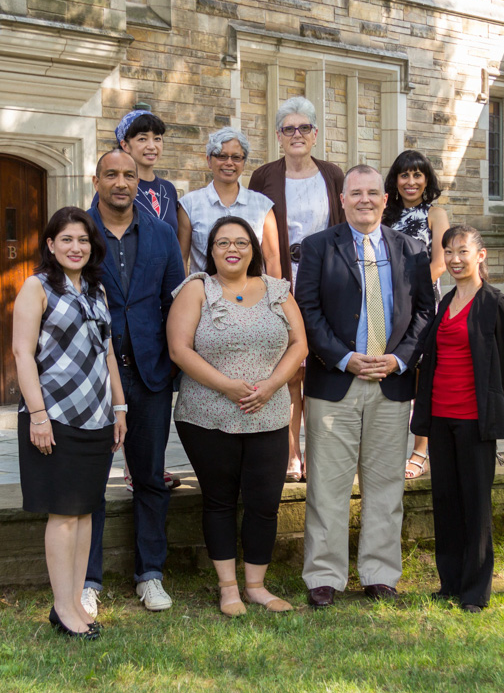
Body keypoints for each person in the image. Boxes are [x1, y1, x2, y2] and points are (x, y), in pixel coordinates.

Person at [294, 164, 435, 608]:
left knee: (386, 485)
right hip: (335, 381)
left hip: (391, 384)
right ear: (343, 199)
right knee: (326, 487)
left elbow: (423, 314)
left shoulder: (411, 249)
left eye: (373, 192)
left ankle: (379, 573)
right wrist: (345, 357)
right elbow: (307, 310)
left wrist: (397, 359)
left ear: (385, 197)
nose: (365, 200)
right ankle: (324, 575)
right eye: (356, 193)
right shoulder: (318, 247)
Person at [167, 216, 307, 617]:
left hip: (270, 413)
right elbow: (179, 349)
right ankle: (229, 588)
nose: (233, 249)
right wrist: (227, 386)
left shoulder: (276, 290)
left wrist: (270, 385)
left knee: (265, 503)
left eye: (242, 242)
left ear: (253, 250)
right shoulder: (197, 289)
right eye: (223, 242)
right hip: (207, 415)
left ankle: (257, 586)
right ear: (210, 250)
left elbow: (299, 344)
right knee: (220, 502)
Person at [12, 206, 128, 640]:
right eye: (66, 240)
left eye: (82, 240)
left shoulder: (96, 291)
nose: (75, 247)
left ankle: (77, 602)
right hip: (54, 417)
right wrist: (38, 416)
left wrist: (119, 409)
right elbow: (23, 354)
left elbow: (107, 353)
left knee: (84, 515)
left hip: (96, 417)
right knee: (62, 515)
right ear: (50, 245)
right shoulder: (36, 288)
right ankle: (62, 608)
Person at [83, 148, 186, 615]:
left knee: (149, 476)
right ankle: (87, 579)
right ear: (96, 179)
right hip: (92, 376)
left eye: (129, 175)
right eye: (112, 174)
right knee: (88, 483)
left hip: (149, 374)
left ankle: (151, 574)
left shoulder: (163, 234)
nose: (121, 182)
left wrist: (176, 367)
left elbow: (177, 304)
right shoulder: (77, 233)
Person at [410, 225, 504, 614]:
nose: (455, 259)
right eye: (449, 252)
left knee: (475, 504)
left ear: (481, 255)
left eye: (463, 252)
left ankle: (475, 590)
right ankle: (449, 582)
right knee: (446, 502)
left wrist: (484, 404)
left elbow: (502, 364)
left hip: (474, 419)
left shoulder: (495, 303)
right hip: (440, 416)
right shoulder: (445, 303)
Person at [249, 96, 346, 483]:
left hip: (327, 284)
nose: (297, 135)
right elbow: (256, 229)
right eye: (289, 129)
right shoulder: (264, 176)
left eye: (304, 128)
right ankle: (291, 452)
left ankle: (325, 452)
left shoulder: (333, 174)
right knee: (289, 370)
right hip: (281, 282)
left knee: (324, 366)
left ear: (315, 133)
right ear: (278, 135)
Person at [381, 150, 450, 480]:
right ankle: (385, 448)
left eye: (417, 175)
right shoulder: (384, 212)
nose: (410, 182)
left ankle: (421, 450)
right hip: (385, 306)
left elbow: (440, 262)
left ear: (427, 180)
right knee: (390, 375)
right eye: (404, 175)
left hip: (422, 305)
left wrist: (409, 295)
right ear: (395, 180)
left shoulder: (435, 213)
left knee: (424, 380)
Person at [177, 127, 281, 278]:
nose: (229, 163)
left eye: (236, 157)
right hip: (203, 295)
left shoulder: (262, 206)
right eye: (222, 156)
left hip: (252, 296)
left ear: (244, 162)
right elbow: (181, 258)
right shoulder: (189, 205)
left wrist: (275, 299)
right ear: (209, 161)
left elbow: (272, 258)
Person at [97, 109, 179, 233]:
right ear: (125, 145)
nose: (152, 146)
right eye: (142, 139)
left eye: (157, 139)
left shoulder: (168, 189)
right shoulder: (115, 188)